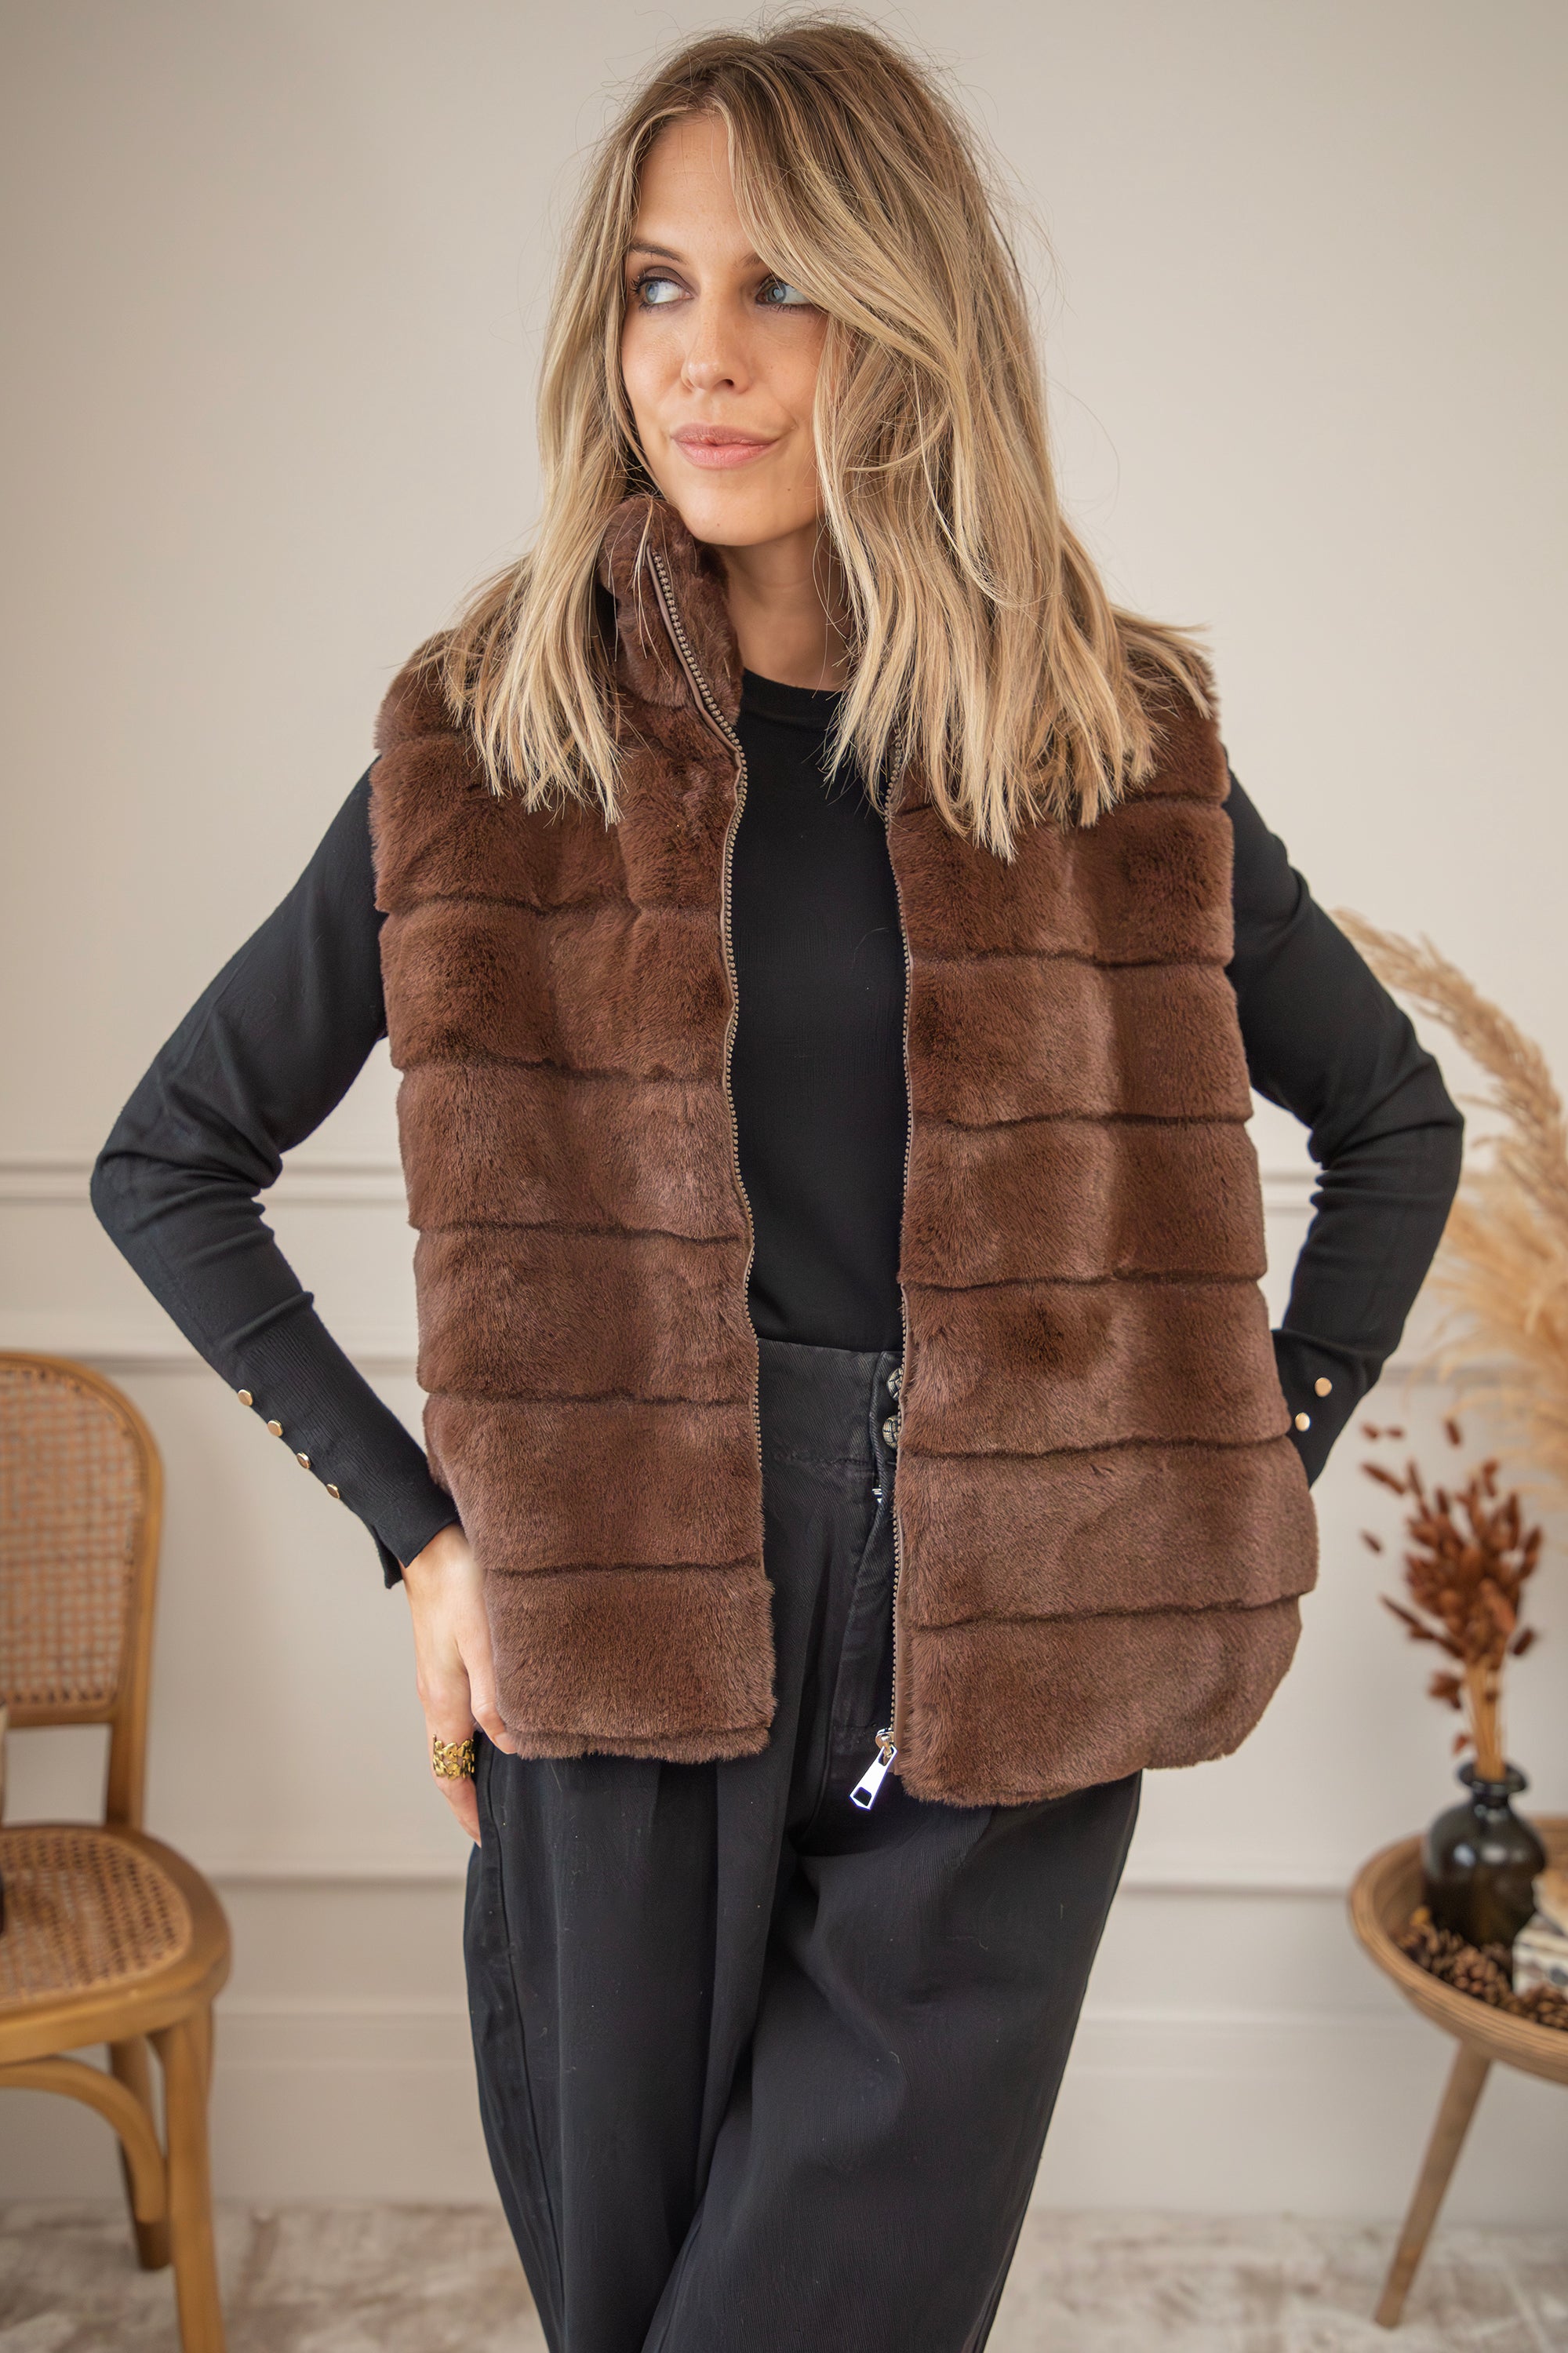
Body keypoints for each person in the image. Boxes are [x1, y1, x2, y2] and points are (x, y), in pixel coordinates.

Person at [92, 20, 1463, 2350]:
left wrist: (1225, 1474)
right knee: (632, 2299)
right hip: (627, 1625)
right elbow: (170, 1161)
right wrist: (425, 1538)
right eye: (657, 284)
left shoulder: (1103, 738)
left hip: (1014, 1636)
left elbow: (1397, 1127)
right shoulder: (493, 734)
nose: (701, 357)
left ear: (911, 321)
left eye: (780, 286)